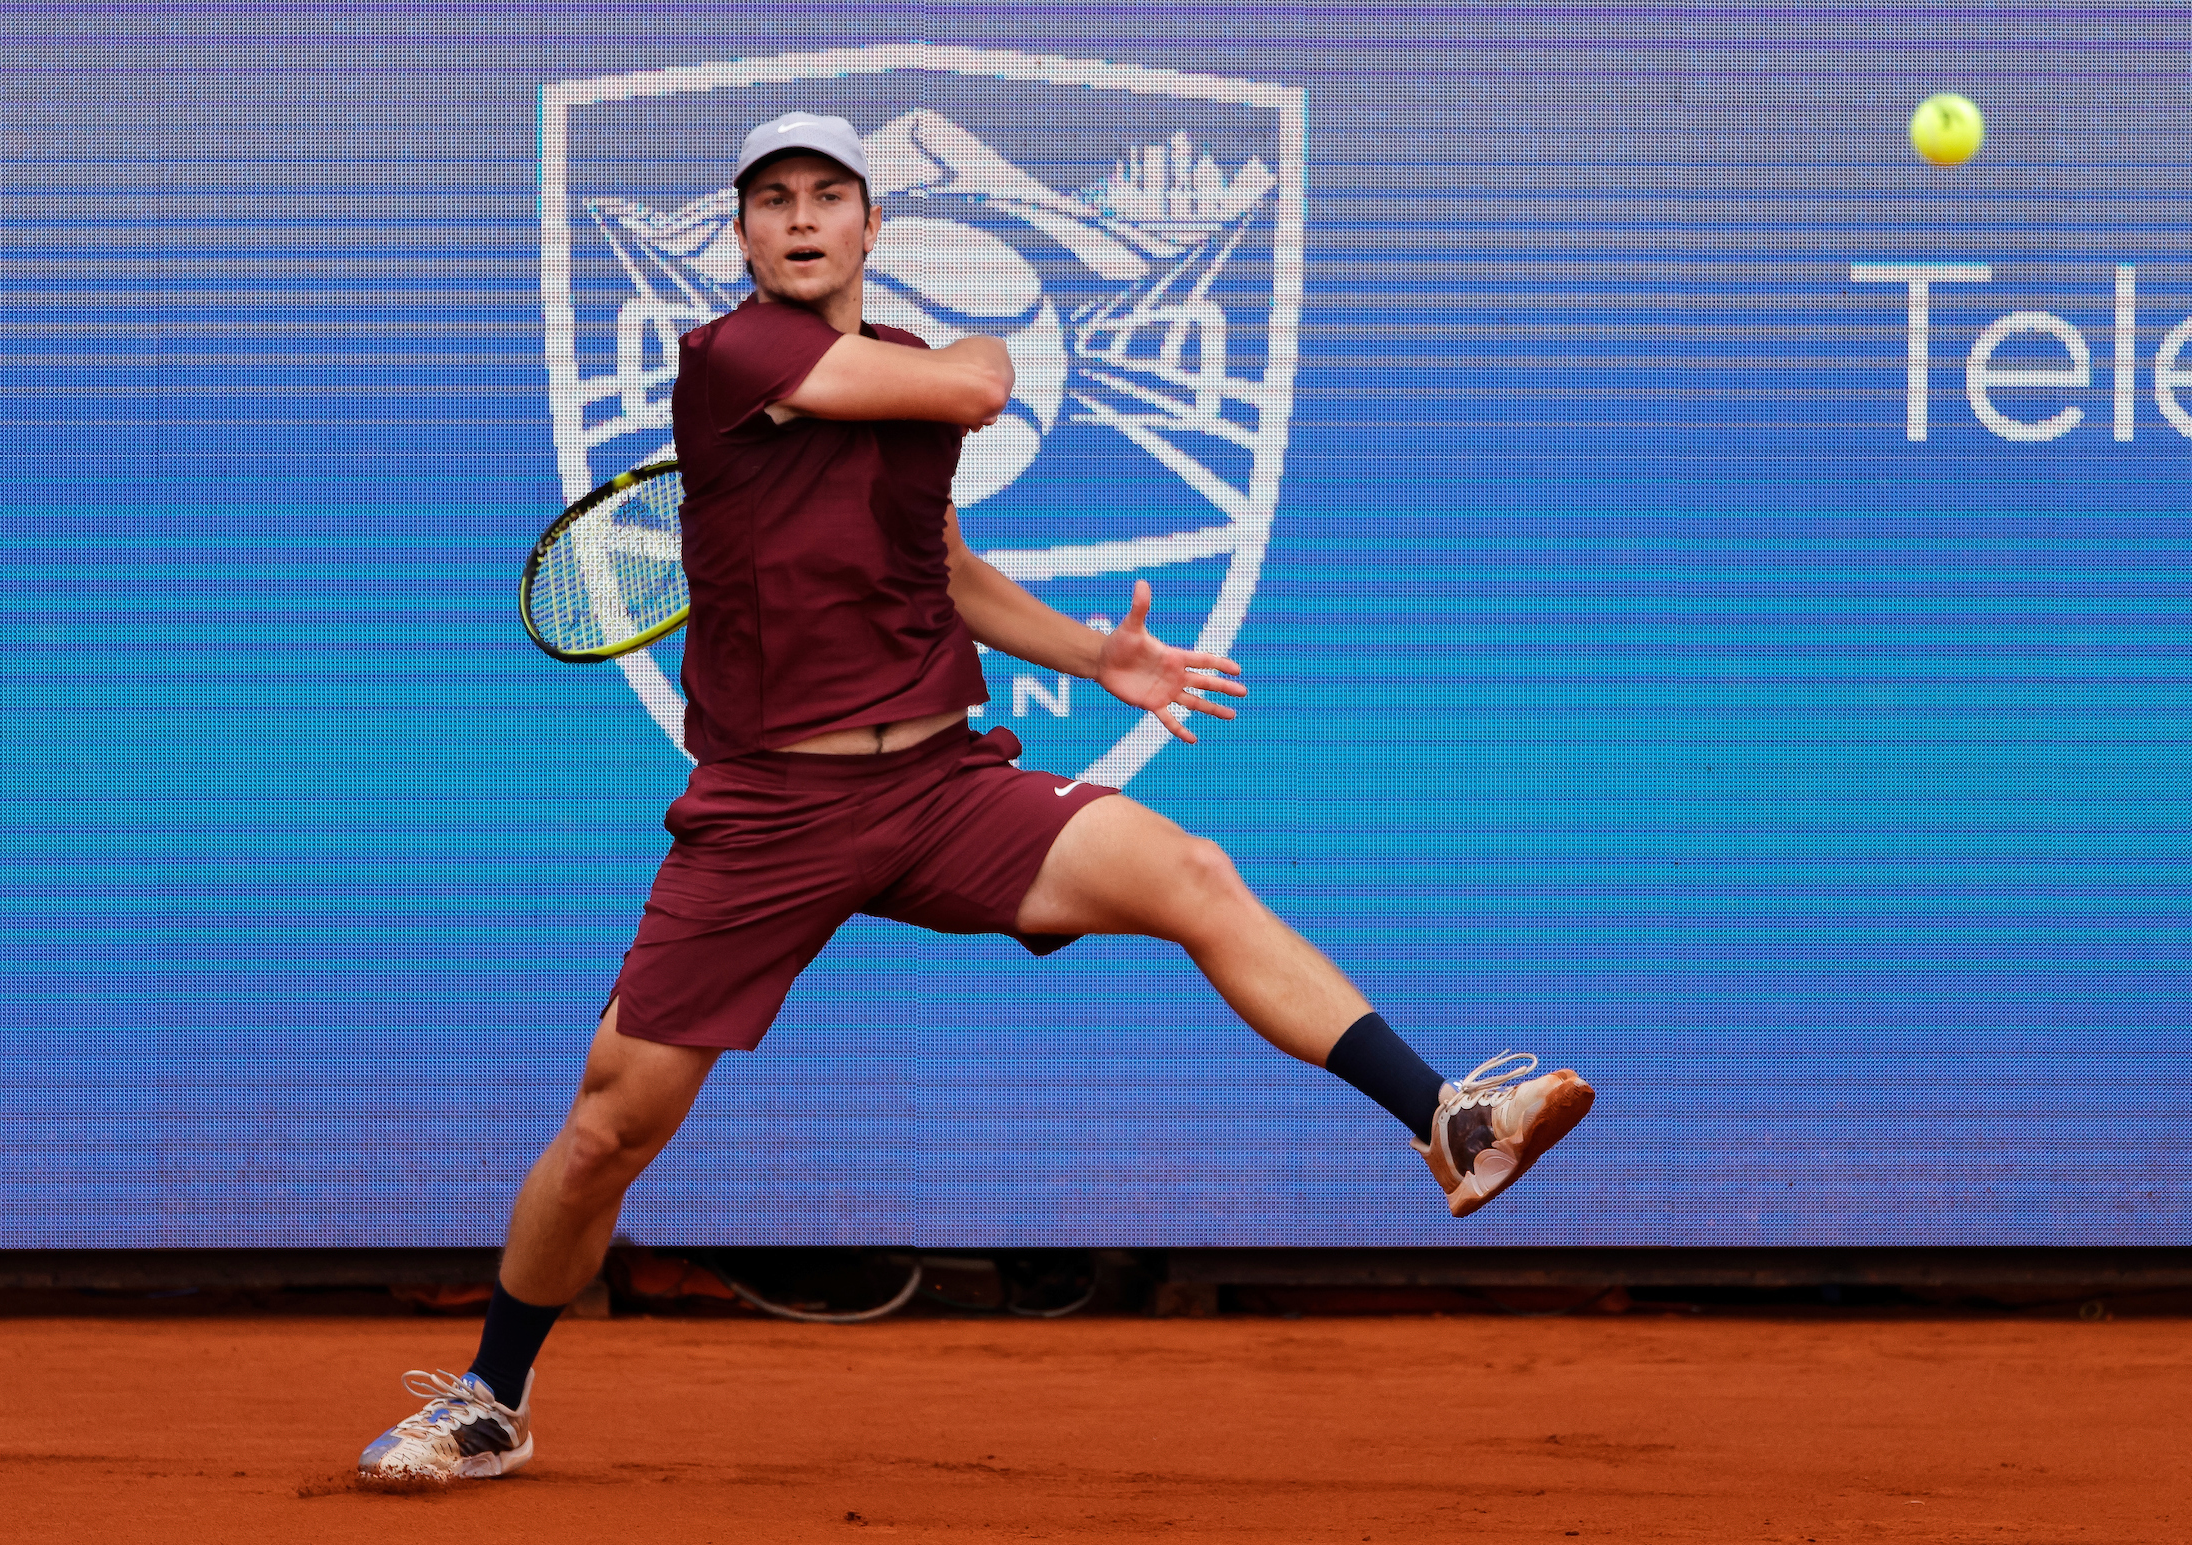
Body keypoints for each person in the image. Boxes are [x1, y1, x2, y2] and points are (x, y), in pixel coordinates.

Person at [359, 112, 1594, 1481]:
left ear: (871, 224)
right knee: (608, 1128)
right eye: (774, 200)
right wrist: (986, 353)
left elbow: (945, 566)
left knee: (1193, 874)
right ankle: (490, 1395)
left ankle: (1447, 1117)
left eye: (830, 194)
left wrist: (1095, 655)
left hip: (943, 787)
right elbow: (977, 386)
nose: (803, 218)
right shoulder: (735, 356)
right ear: (745, 237)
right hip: (768, 813)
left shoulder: (892, 371)